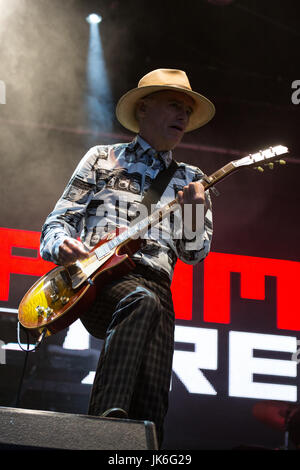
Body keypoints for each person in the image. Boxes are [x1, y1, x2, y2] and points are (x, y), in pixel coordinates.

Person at [40, 68, 215, 448]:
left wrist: (192, 212)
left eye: (187, 109)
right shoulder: (102, 158)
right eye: (174, 105)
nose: (183, 116)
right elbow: (56, 223)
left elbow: (193, 253)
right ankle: (100, 430)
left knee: (153, 401)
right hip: (98, 279)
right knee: (140, 300)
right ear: (143, 110)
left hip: (158, 289)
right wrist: (63, 245)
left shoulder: (192, 178)